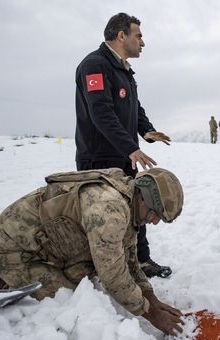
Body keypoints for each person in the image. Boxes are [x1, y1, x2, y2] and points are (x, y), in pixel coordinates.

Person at [0, 168, 185, 335]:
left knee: (85, 273)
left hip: (42, 244)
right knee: (68, 297)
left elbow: (129, 259)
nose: (155, 222)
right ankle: (7, 278)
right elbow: (113, 275)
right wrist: (151, 314)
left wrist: (151, 298)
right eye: (155, 214)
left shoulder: (128, 199)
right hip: (9, 250)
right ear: (143, 199)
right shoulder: (109, 209)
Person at [75, 13, 172, 278]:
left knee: (134, 209)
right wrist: (130, 147)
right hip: (99, 160)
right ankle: (99, 268)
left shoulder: (124, 70)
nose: (142, 42)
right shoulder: (95, 65)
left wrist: (147, 131)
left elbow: (134, 107)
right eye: (138, 35)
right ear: (121, 36)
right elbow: (101, 112)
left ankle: (140, 261)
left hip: (124, 156)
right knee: (102, 216)